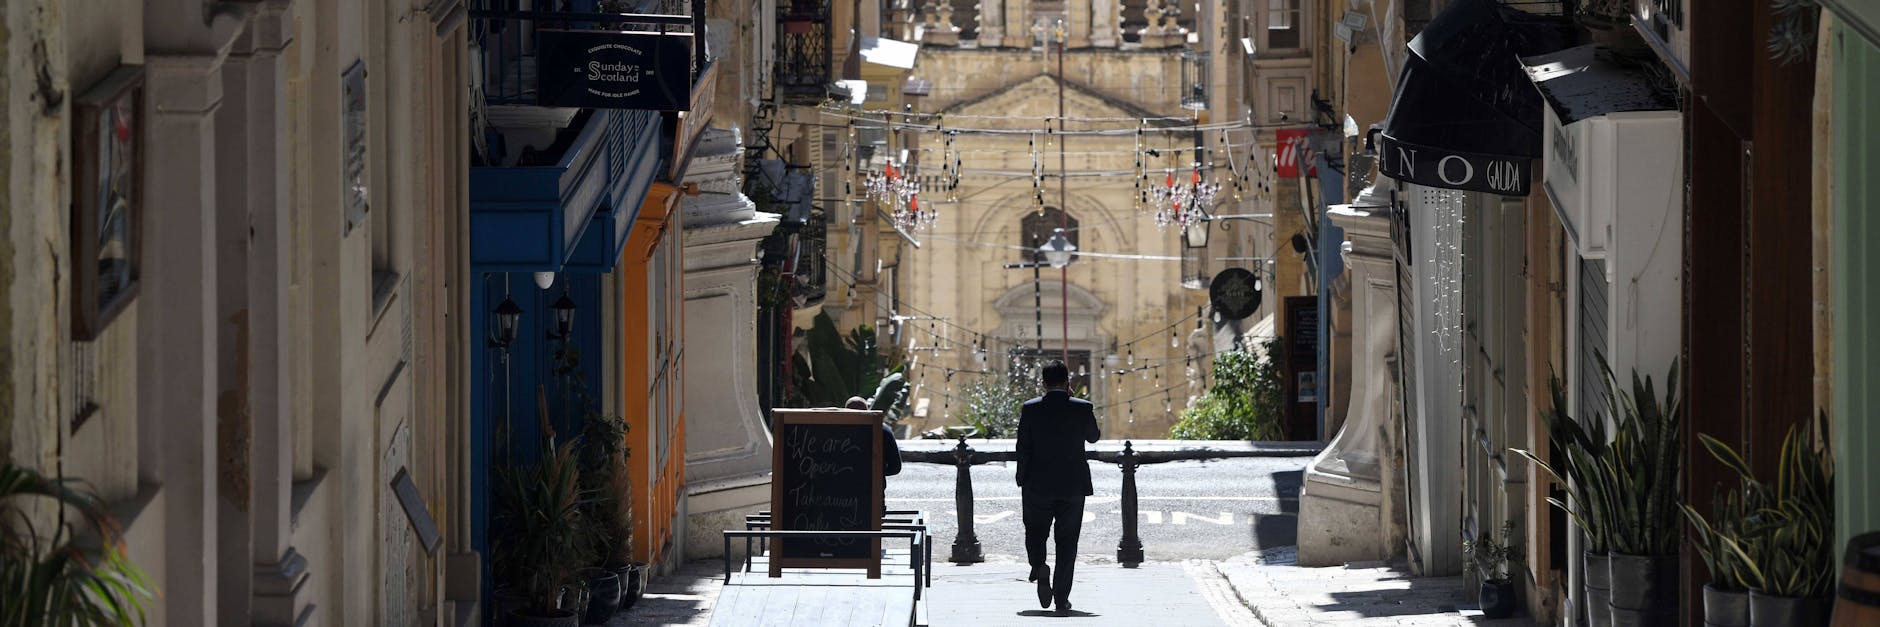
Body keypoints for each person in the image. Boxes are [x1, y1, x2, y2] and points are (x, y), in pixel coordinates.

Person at [1014, 361, 1100, 615]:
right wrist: (1075, 402)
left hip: (1037, 485)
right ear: (1067, 382)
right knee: (1067, 543)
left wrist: (1023, 479)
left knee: (1035, 532)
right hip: (1072, 486)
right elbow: (1093, 436)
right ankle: (1061, 599)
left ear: (1043, 383)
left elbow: (1023, 447)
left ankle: (1039, 565)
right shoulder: (1082, 408)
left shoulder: (1030, 409)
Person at [846, 397, 902, 478]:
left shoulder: (835, 430)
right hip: (874, 488)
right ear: (867, 411)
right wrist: (875, 472)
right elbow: (895, 467)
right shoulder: (883, 430)